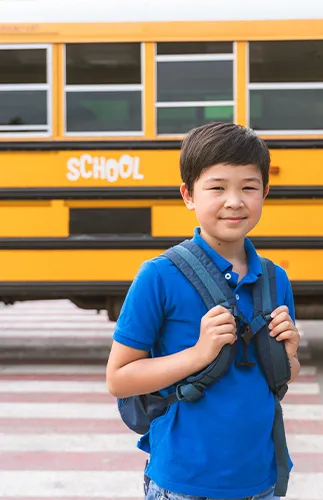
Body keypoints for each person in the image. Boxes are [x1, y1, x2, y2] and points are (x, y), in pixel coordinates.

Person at [105, 123, 301, 500]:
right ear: (188, 195)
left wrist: (289, 356)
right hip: (183, 483)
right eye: (217, 187)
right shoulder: (159, 275)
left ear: (265, 192)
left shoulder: (275, 280)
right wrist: (199, 353)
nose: (234, 200)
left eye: (248, 187)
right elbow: (120, 378)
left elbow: (281, 377)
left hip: (262, 480)